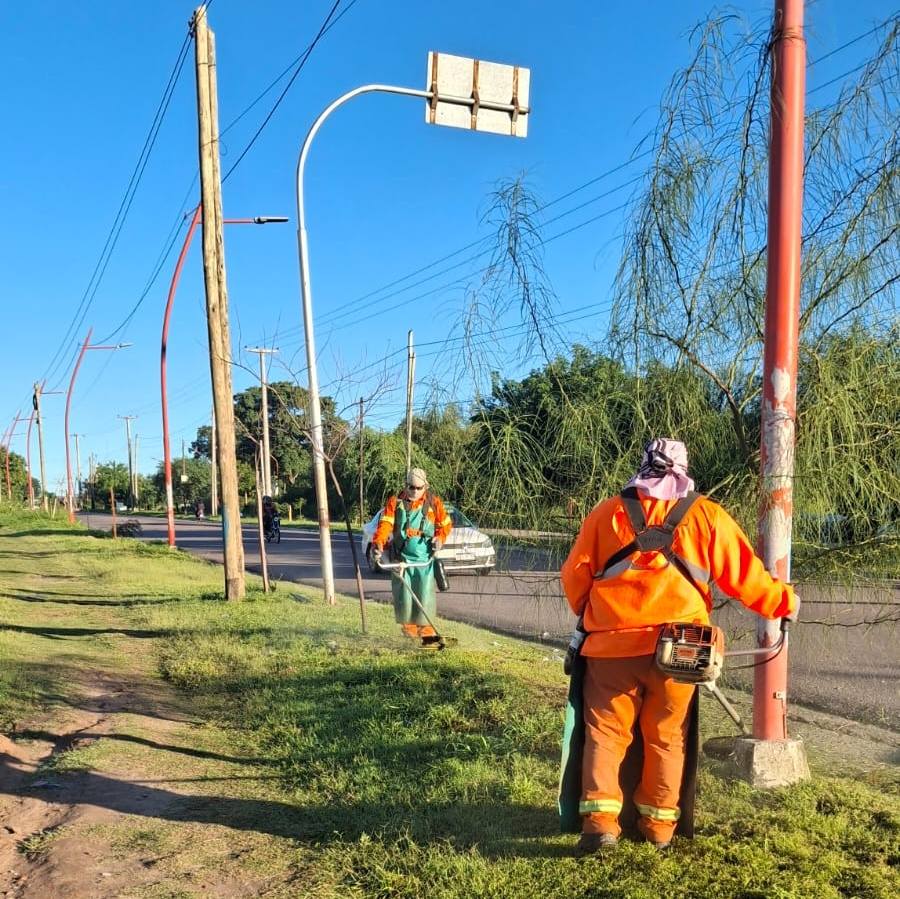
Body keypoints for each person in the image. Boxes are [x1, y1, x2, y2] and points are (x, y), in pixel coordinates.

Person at [560, 438, 798, 853]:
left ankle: (599, 826)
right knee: (666, 737)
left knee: (606, 735)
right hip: (680, 651)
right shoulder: (705, 516)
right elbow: (747, 578)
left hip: (610, 649)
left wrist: (593, 610)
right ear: (683, 471)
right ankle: (658, 830)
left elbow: (574, 578)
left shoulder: (606, 514)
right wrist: (785, 602)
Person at [372, 468, 453, 647]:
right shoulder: (395, 503)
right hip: (401, 560)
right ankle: (409, 636)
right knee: (404, 599)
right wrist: (378, 542)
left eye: (418, 488)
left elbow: (445, 525)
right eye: (411, 487)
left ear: (425, 486)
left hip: (425, 561)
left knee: (425, 597)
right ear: (405, 485)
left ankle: (427, 635)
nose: (415, 491)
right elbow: (385, 524)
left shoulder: (434, 503)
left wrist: (440, 539)